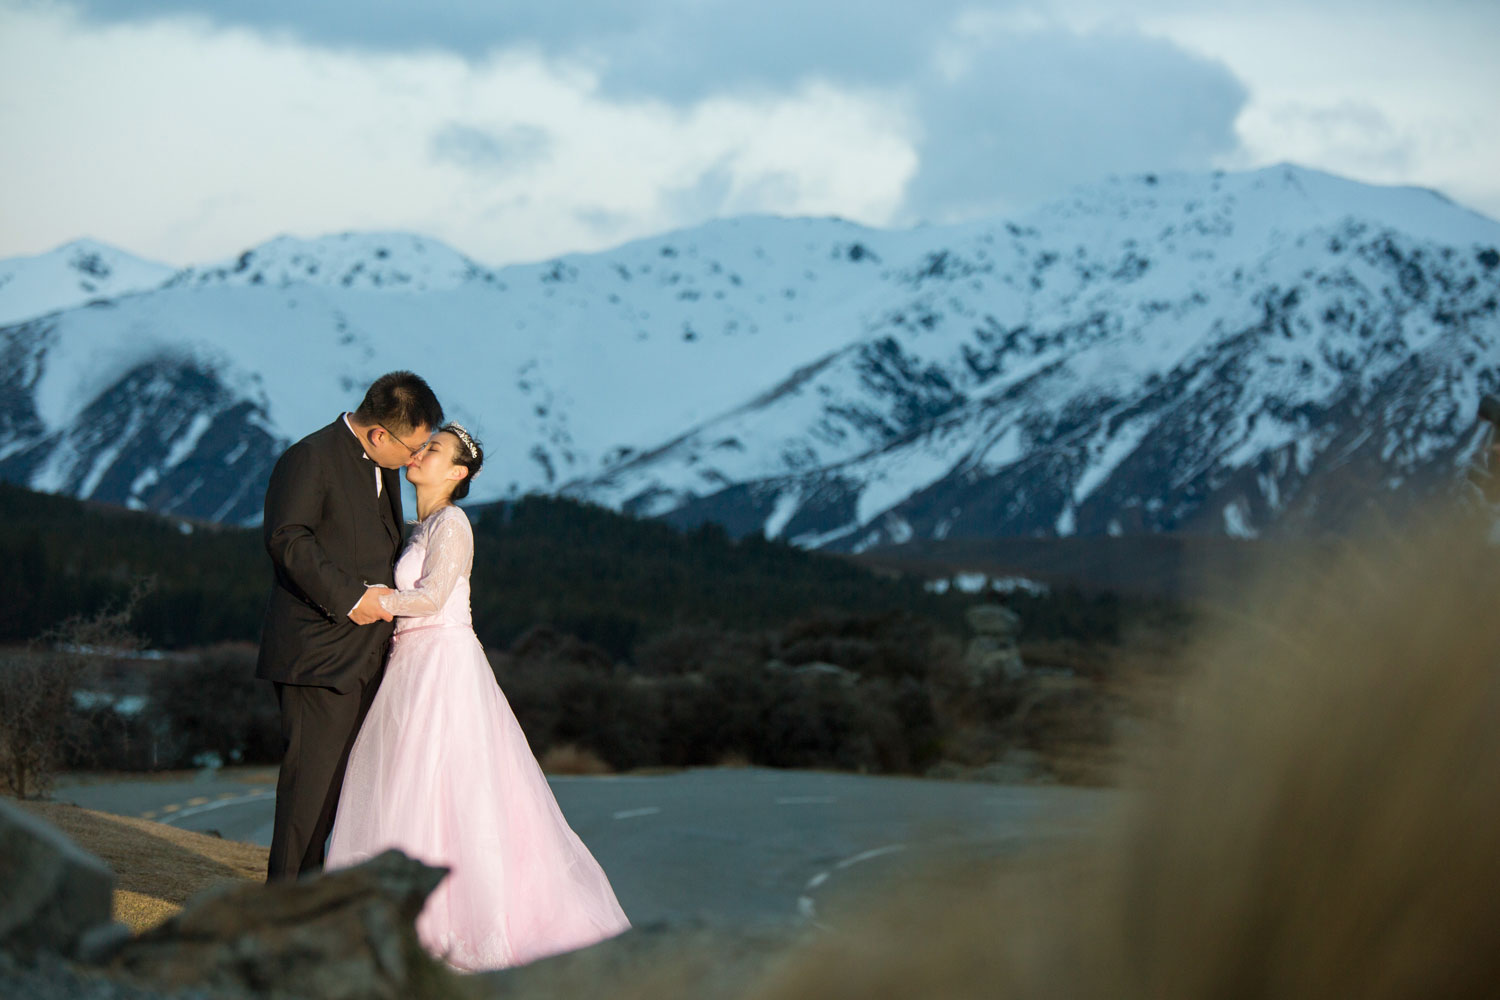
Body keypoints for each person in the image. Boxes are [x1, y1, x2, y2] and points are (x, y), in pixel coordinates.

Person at [326, 423, 631, 970]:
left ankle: (445, 922)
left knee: (441, 785)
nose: (419, 454)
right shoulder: (418, 526)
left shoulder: (453, 523)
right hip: (411, 661)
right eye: (421, 446)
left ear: (458, 472)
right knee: (407, 784)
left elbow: (434, 595)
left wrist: (373, 600)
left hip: (441, 661)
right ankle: (399, 912)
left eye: (434, 450)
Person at [256, 371, 444, 882]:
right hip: (319, 654)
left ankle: (311, 905)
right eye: (413, 446)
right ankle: (283, 915)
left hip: (364, 655)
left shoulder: (378, 464)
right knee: (307, 798)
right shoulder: (311, 457)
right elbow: (287, 539)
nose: (415, 457)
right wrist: (350, 597)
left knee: (336, 797)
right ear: (380, 434)